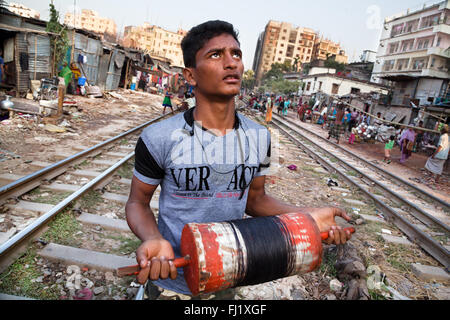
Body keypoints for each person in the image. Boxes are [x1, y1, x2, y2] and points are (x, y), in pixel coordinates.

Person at [126, 20, 353, 299]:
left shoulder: (259, 137)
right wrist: (153, 239)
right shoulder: (159, 137)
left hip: (227, 277)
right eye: (215, 55)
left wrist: (307, 217)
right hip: (172, 282)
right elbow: (138, 202)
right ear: (191, 75)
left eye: (236, 54)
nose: (231, 63)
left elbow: (255, 200)